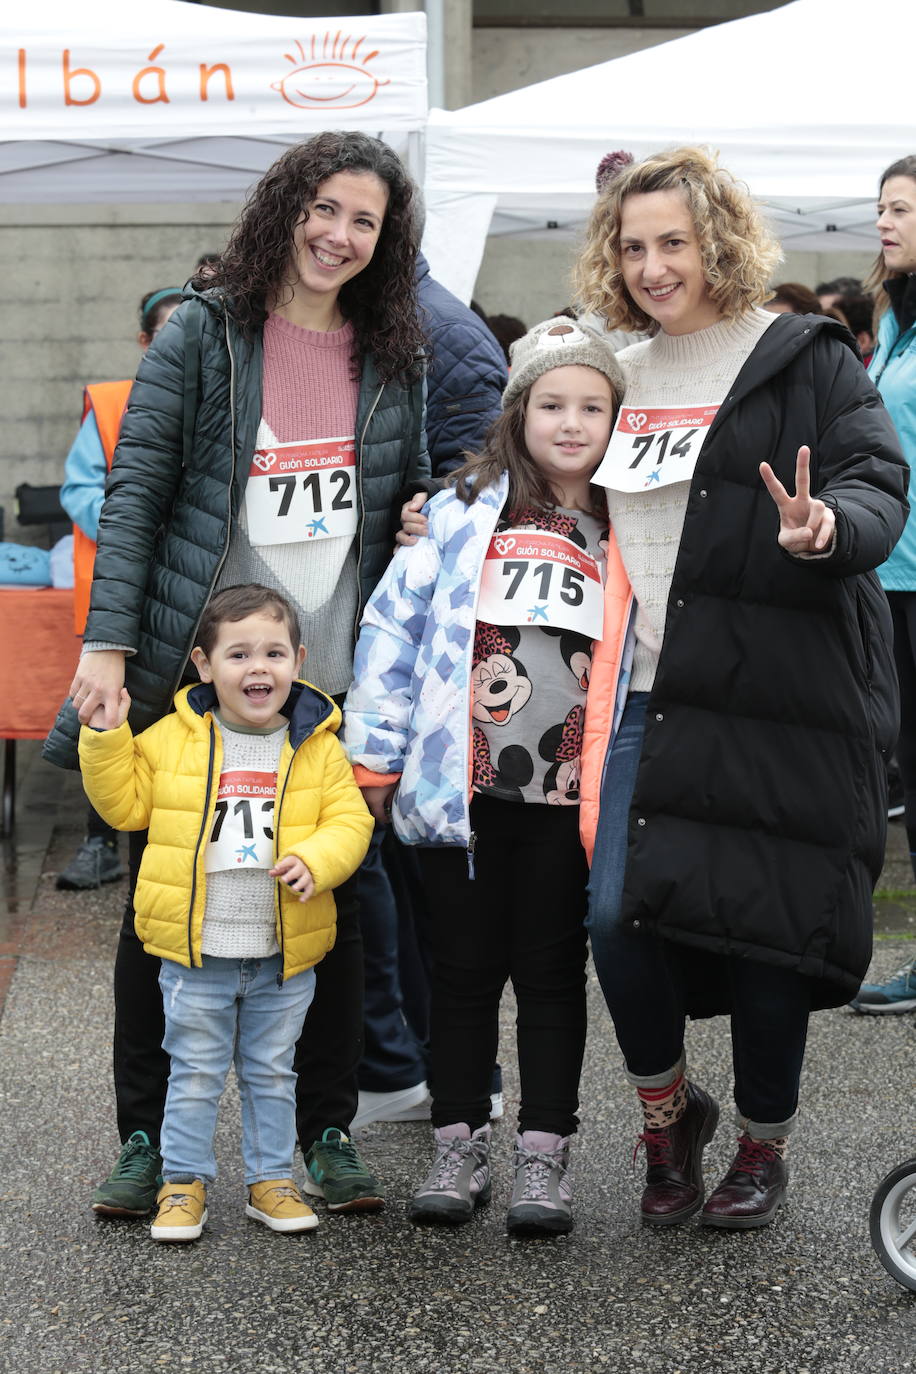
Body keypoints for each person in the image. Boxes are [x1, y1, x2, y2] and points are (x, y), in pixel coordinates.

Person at [43, 130, 429, 1218]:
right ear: (283, 210)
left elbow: (405, 502)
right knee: (159, 906)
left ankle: (326, 1131)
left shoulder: (392, 351)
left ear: (385, 241)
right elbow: (136, 498)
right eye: (323, 209)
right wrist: (108, 651)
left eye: (364, 220)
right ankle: (142, 1136)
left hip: (334, 680)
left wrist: (417, 511)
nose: (338, 235)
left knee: (332, 902)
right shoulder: (204, 337)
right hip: (197, 674)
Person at [571, 146, 907, 1229]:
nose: (654, 266)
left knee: (769, 930)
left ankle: (763, 1144)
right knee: (617, 916)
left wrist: (824, 529)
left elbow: (874, 481)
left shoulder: (801, 356)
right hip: (651, 696)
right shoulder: (616, 368)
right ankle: (669, 1116)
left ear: (717, 239)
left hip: (783, 695)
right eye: (634, 247)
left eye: (673, 241)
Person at [345, 317, 625, 1235]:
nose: (572, 422)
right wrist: (376, 752)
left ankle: (545, 1156)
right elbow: (392, 633)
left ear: (619, 418)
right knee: (460, 975)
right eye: (552, 403)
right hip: (458, 789)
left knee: (550, 976)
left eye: (592, 404)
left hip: (567, 799)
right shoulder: (461, 511)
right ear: (518, 412)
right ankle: (457, 1141)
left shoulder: (629, 524)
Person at [78, 585, 373, 1242]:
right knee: (193, 1072)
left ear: (299, 660)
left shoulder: (319, 745)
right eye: (238, 654)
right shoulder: (170, 739)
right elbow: (123, 806)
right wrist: (103, 736)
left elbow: (350, 821)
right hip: (197, 952)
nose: (258, 668)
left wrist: (318, 860)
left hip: (280, 952)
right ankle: (182, 1183)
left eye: (273, 652)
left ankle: (270, 1181)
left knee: (273, 1071)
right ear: (204, 666)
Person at [353, 251, 508, 1131]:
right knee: (410, 878)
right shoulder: (395, 316)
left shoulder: (439, 332)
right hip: (395, 638)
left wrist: (424, 510)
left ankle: (450, 1081)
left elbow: (477, 486)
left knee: (425, 881)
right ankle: (427, 1073)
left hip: (431, 654)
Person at [56, 288, 183, 891]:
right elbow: (80, 490)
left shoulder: (214, 399)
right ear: (145, 343)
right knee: (105, 714)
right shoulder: (111, 406)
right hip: (121, 594)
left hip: (184, 596)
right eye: (166, 334)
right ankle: (99, 839)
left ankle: (167, 841)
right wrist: (134, 526)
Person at [849, 156, 916, 1014]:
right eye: (881, 209)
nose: (885, 222)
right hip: (889, 576)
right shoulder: (894, 318)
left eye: (900, 208)